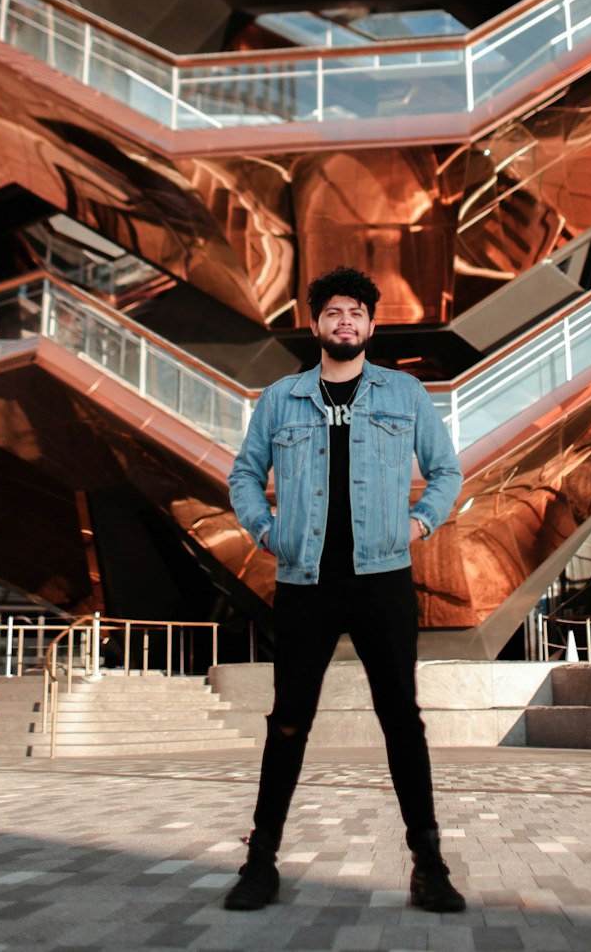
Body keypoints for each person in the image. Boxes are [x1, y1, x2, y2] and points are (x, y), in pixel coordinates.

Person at [224, 265, 465, 913]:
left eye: (356, 312)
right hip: (305, 583)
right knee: (288, 723)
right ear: (315, 325)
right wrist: (265, 532)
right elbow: (244, 475)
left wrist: (421, 522)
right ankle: (260, 863)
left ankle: (429, 864)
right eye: (333, 312)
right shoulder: (280, 399)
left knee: (402, 723)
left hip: (383, 579)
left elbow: (446, 471)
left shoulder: (405, 394)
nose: (345, 322)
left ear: (371, 325)